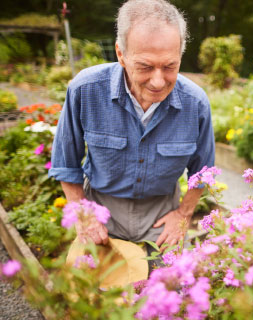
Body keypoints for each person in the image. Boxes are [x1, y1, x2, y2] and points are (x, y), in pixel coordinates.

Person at [49, 0, 215, 252]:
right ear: (121, 54)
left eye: (170, 66)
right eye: (145, 67)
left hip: (161, 215)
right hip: (100, 211)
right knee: (100, 288)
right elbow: (65, 164)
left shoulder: (196, 103)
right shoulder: (85, 90)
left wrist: (183, 215)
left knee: (166, 288)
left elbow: (202, 172)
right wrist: (85, 216)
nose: (158, 81)